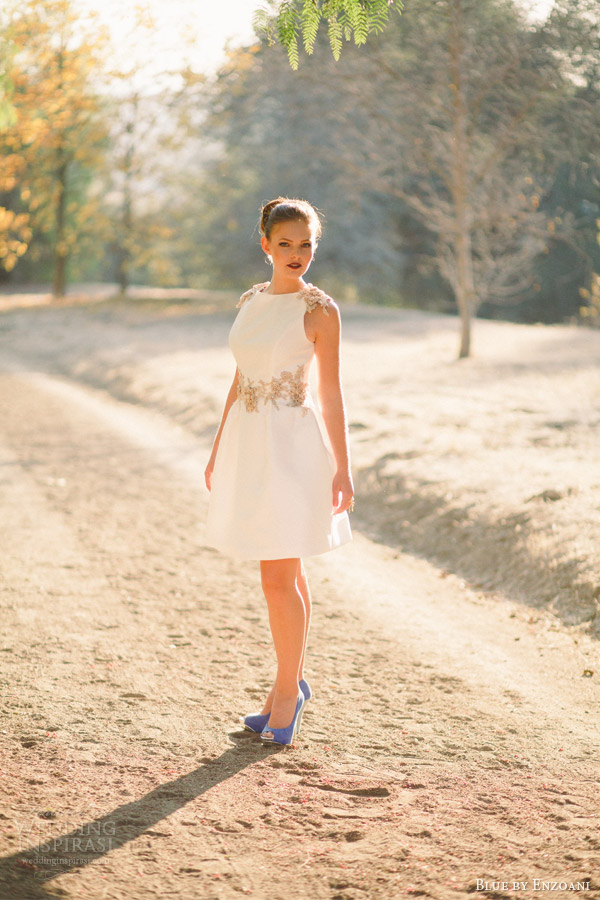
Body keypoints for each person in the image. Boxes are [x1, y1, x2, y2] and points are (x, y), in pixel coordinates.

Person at [204, 197, 354, 747]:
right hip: (250, 445)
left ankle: (286, 694)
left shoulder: (320, 311)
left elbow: (332, 394)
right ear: (265, 244)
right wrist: (219, 448)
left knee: (276, 576)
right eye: (285, 243)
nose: (296, 254)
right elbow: (239, 378)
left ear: (316, 246)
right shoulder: (251, 301)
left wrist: (342, 468)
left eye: (306, 244)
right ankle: (288, 684)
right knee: (284, 572)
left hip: (294, 449)